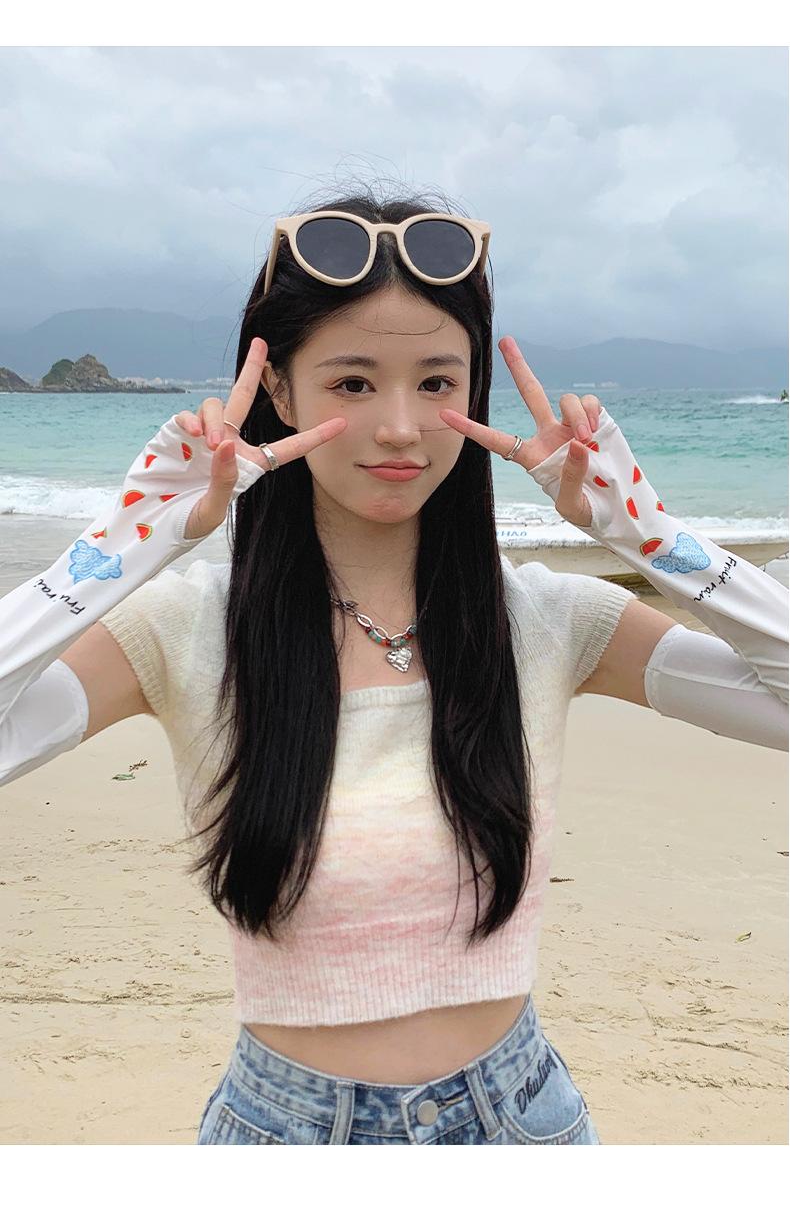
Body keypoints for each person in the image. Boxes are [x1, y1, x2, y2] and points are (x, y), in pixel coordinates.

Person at [1, 187, 787, 1146]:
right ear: (279, 391)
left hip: (522, 1125)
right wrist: (128, 543)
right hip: (286, 1133)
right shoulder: (186, 627)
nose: (404, 426)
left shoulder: (546, 618)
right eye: (353, 383)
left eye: (438, 382)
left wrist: (649, 535)